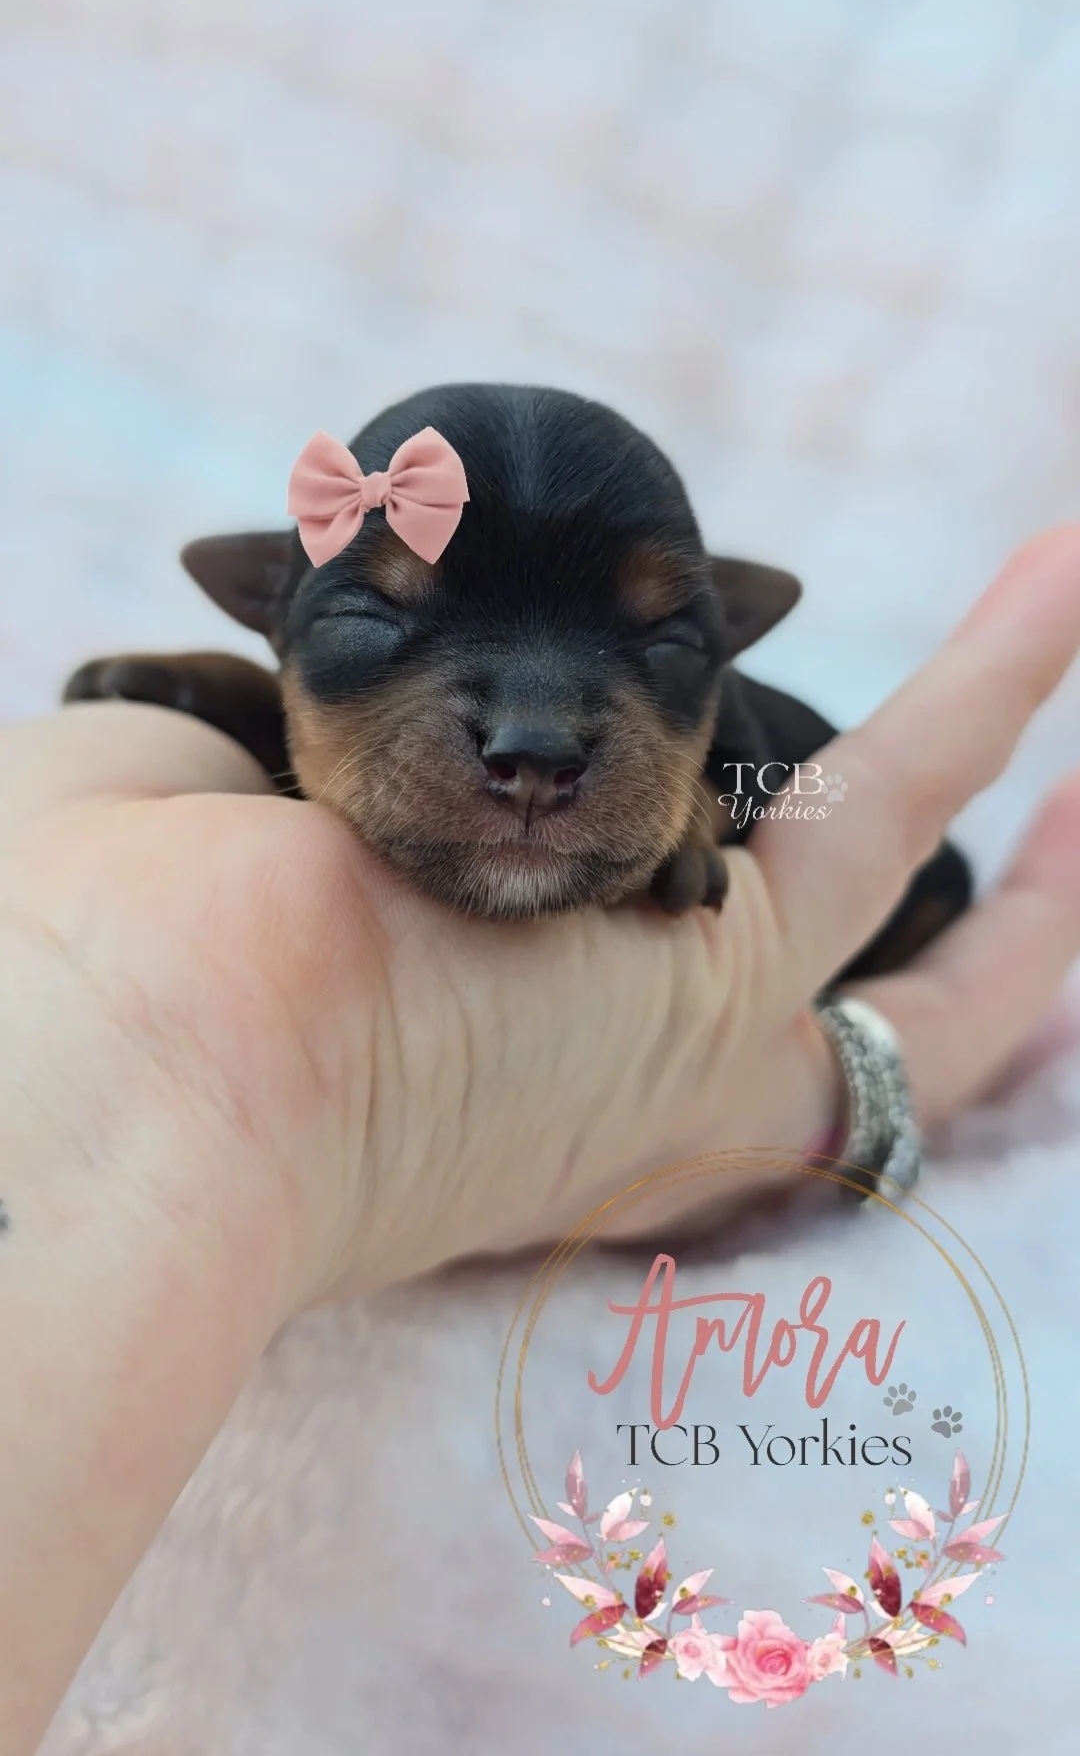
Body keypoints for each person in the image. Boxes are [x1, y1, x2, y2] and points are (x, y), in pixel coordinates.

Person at [1, 527, 1078, 1753]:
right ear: (273, 611)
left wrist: (708, 819)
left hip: (870, 906)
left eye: (659, 634)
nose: (529, 733)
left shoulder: (751, 760)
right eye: (376, 621)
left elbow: (796, 795)